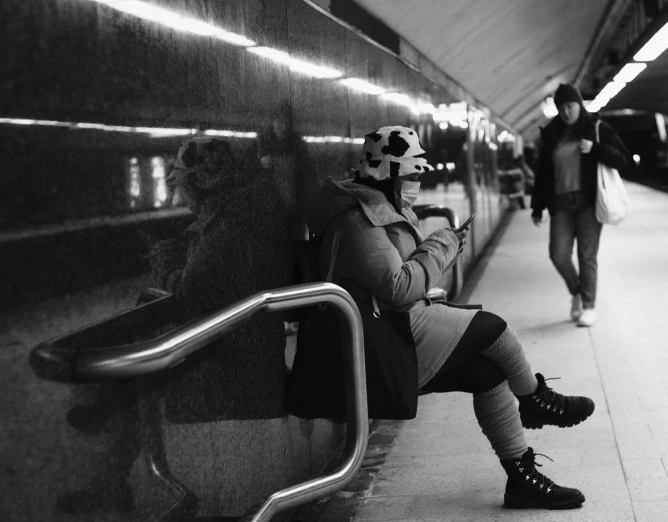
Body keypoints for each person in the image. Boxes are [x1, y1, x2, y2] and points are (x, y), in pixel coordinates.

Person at [307, 126, 596, 510]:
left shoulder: (383, 210)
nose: (416, 185)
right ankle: (537, 399)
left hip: (397, 331)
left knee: (488, 374)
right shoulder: (358, 222)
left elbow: (400, 280)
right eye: (410, 176)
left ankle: (521, 480)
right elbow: (397, 287)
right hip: (381, 346)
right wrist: (441, 245)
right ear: (387, 174)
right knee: (494, 329)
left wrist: (441, 249)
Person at [149, 136, 288, 421]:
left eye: (184, 185)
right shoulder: (252, 208)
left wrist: (165, 261)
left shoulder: (226, 223)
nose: (184, 197)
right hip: (256, 357)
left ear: (201, 183)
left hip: (230, 368)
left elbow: (192, 289)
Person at [531, 84, 629, 327]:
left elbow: (622, 158)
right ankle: (575, 290)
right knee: (558, 254)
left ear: (579, 105)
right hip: (561, 205)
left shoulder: (596, 128)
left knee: (587, 256)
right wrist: (537, 206)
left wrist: (596, 149)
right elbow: (543, 173)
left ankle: (588, 306)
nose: (566, 112)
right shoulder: (551, 135)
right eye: (561, 108)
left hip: (588, 203)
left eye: (570, 106)